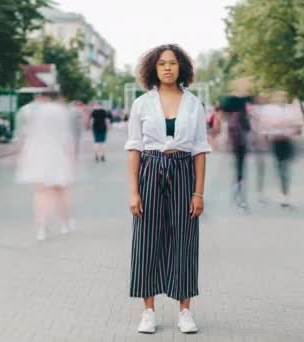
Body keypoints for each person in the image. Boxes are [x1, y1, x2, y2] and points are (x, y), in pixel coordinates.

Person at [125, 44, 210, 334]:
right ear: (154, 69)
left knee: (185, 239)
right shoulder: (142, 104)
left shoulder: (193, 104)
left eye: (173, 63)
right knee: (147, 240)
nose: (168, 68)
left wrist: (198, 193)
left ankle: (184, 311)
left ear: (181, 67)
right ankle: (148, 312)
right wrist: (134, 191)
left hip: (183, 170)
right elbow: (134, 148)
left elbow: (200, 149)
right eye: (162, 64)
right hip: (150, 170)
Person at [15, 91, 76, 240]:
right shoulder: (59, 110)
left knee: (40, 192)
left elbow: (21, 135)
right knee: (60, 190)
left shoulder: (26, 110)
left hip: (35, 154)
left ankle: (41, 228)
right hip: (56, 152)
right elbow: (66, 135)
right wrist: (71, 156)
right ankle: (64, 224)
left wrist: (21, 156)